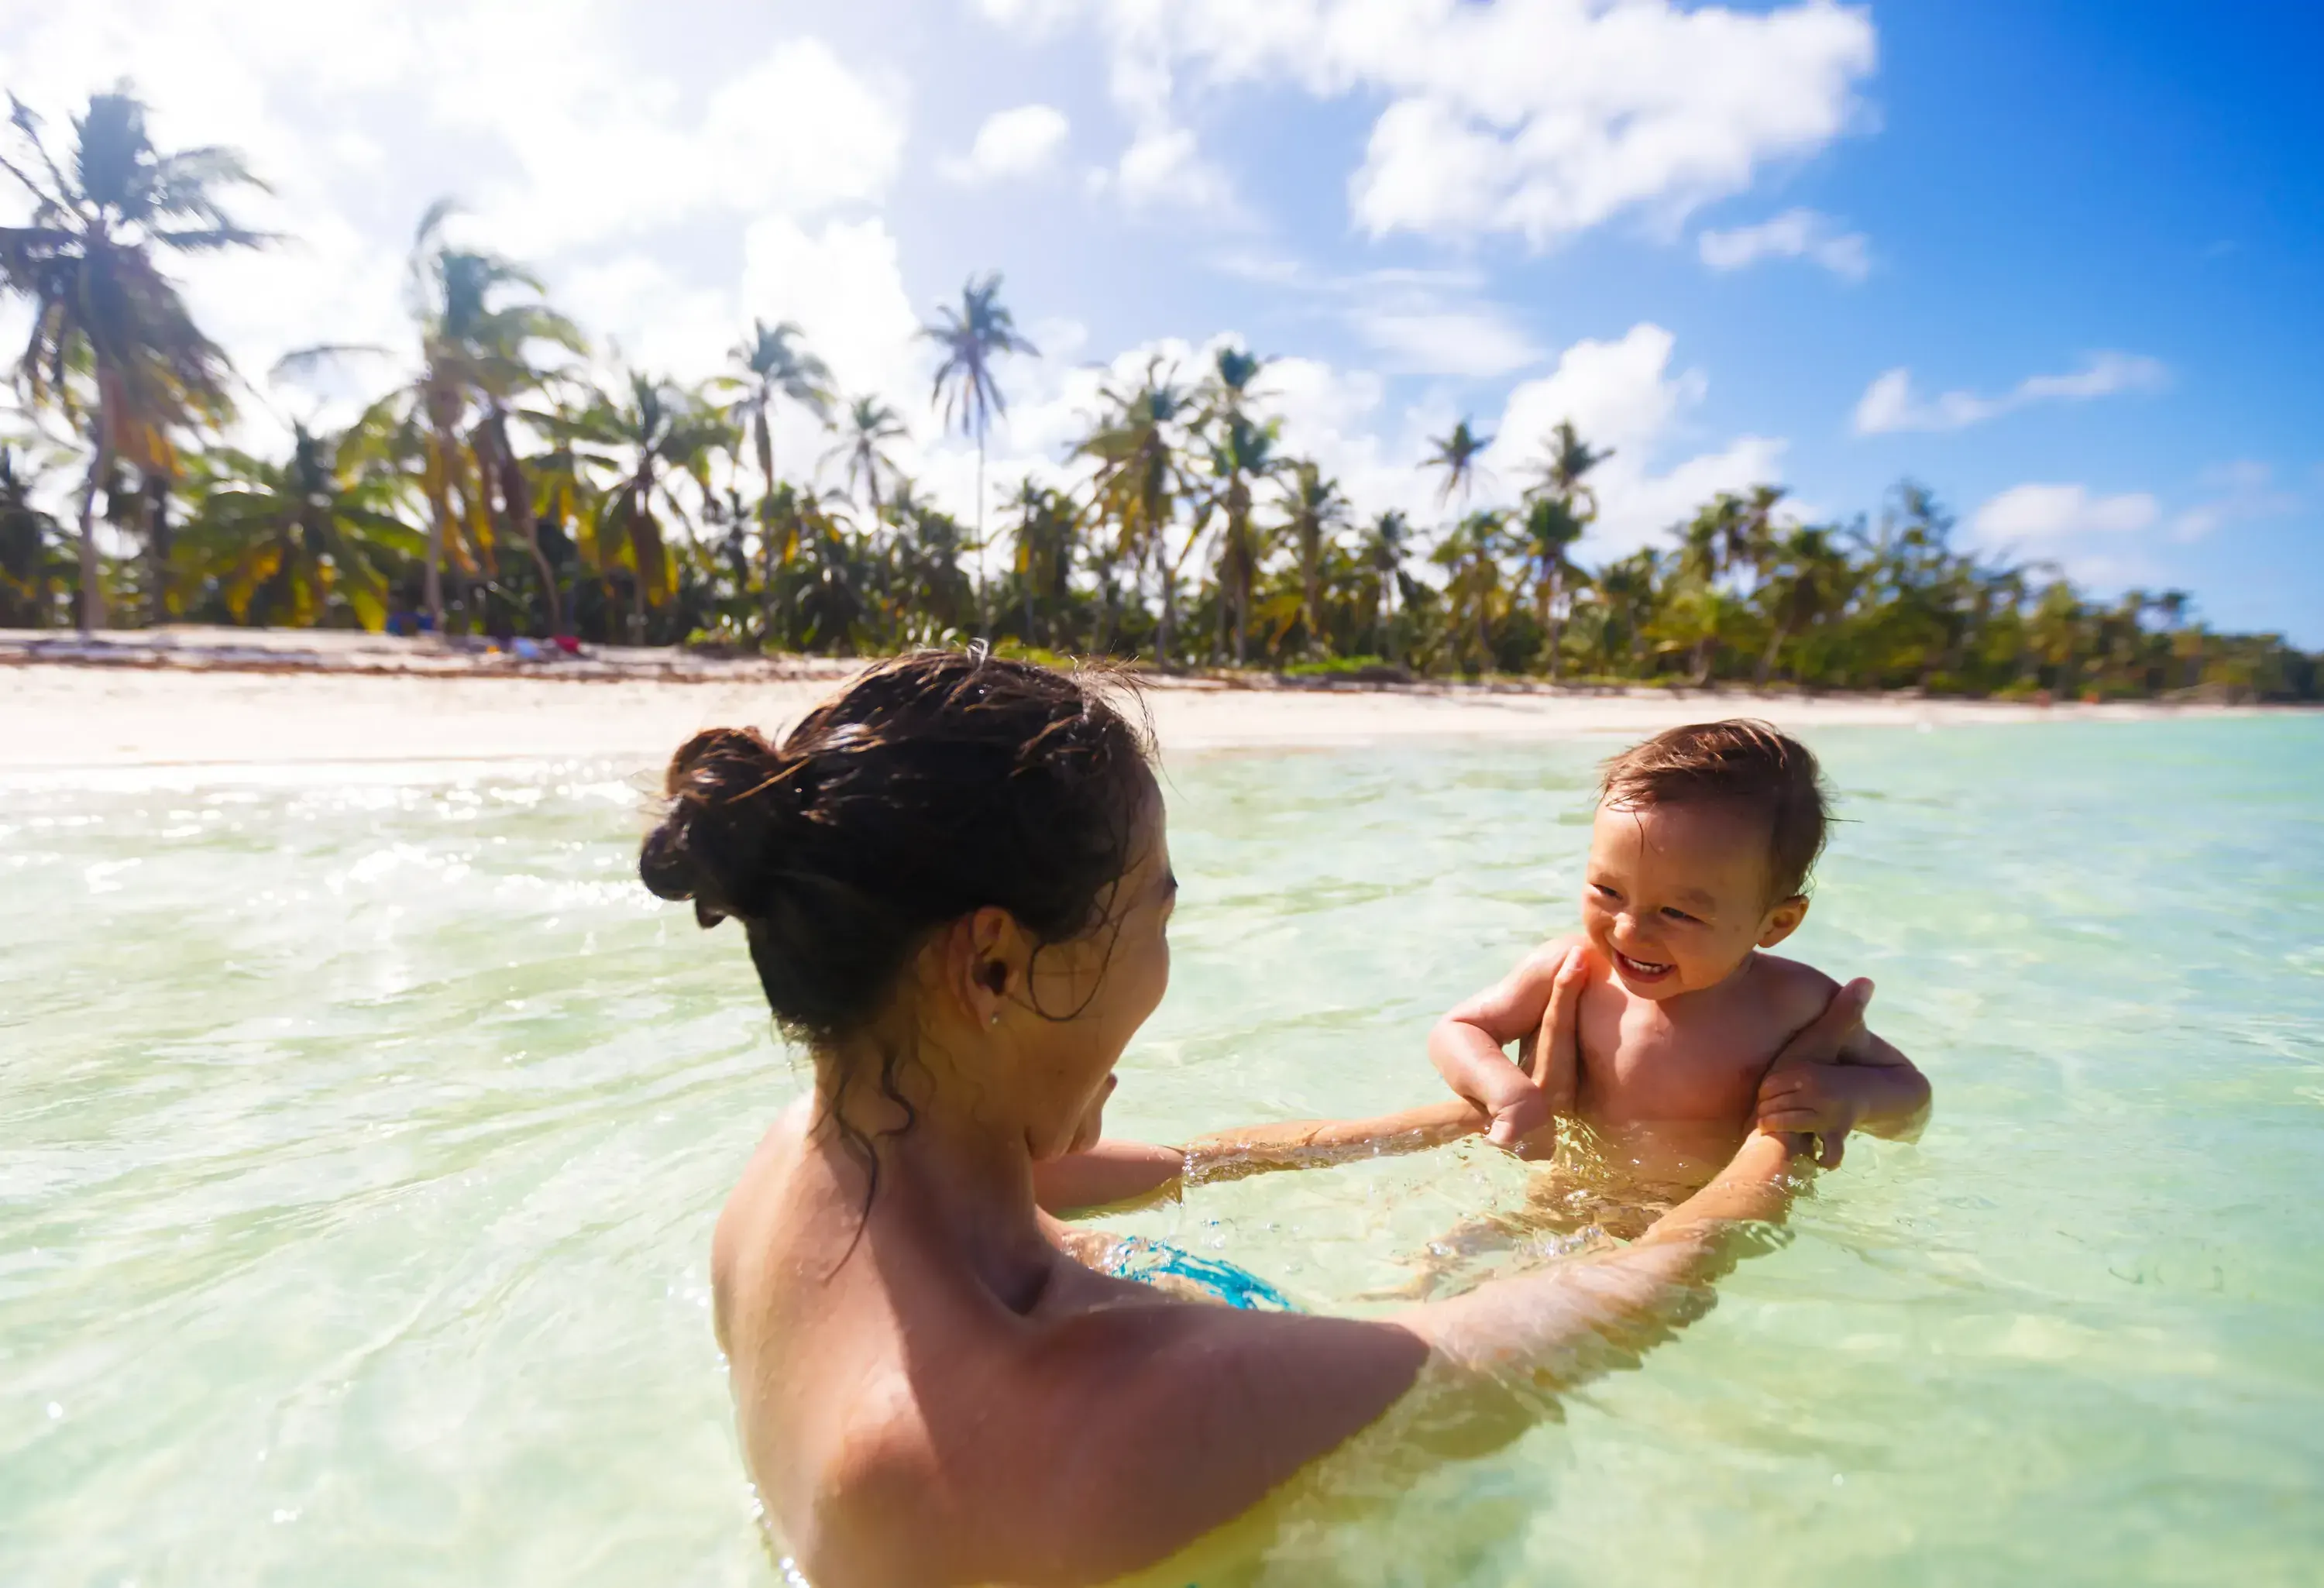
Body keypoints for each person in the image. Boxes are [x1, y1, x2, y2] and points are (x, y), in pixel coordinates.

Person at [643, 654, 1862, 1588]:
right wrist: (1781, 1128)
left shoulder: (784, 1184)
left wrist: (1414, 1126)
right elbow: (1616, 1303)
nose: (1165, 958)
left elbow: (1109, 1179)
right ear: (997, 965)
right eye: (1157, 910)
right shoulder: (1113, 1404)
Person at [1428, 720, 1932, 1184]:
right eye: (1607, 891)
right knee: (1443, 1263)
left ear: (1776, 923)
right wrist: (1507, 1091)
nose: (1629, 931)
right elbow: (1459, 1030)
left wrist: (1851, 1099)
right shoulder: (1574, 969)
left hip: (1705, 1217)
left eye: (1678, 914)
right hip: (1570, 1190)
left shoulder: (1793, 1004)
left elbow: (1911, 1100)